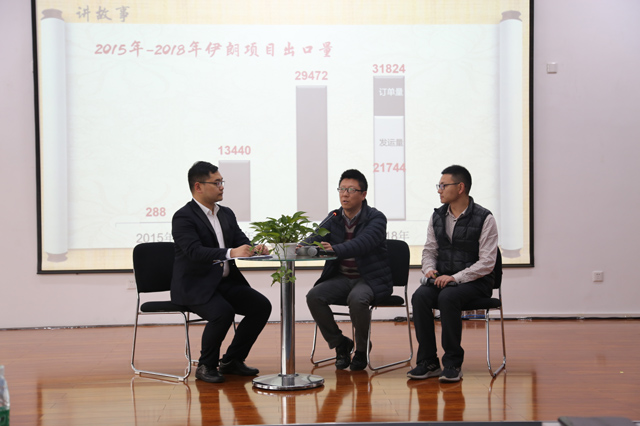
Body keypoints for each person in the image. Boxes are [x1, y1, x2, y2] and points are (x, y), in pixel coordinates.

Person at [171, 161, 272, 383]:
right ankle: (206, 366)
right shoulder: (183, 217)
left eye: (221, 182)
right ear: (198, 186)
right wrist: (231, 252)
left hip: (224, 283)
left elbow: (240, 240)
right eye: (216, 183)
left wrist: (255, 249)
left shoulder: (226, 214)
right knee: (223, 312)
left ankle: (232, 360)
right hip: (195, 286)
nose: (222, 186)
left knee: (261, 306)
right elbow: (194, 251)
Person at [408, 165, 499, 382]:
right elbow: (430, 250)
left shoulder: (485, 218)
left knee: (448, 296)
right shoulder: (437, 216)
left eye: (443, 185)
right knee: (420, 296)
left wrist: (455, 278)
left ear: (460, 187)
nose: (439, 190)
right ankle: (428, 361)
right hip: (443, 279)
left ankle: (452, 363)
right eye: (438, 186)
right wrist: (429, 269)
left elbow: (487, 262)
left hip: (477, 281)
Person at [305, 169, 392, 371]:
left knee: (357, 299)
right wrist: (300, 246)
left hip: (369, 279)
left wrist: (334, 249)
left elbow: (363, 243)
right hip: (342, 277)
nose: (345, 194)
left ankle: (361, 349)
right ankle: (341, 344)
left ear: (363, 194)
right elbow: (315, 237)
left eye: (351, 190)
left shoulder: (376, 218)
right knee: (314, 296)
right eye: (342, 189)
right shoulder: (334, 217)